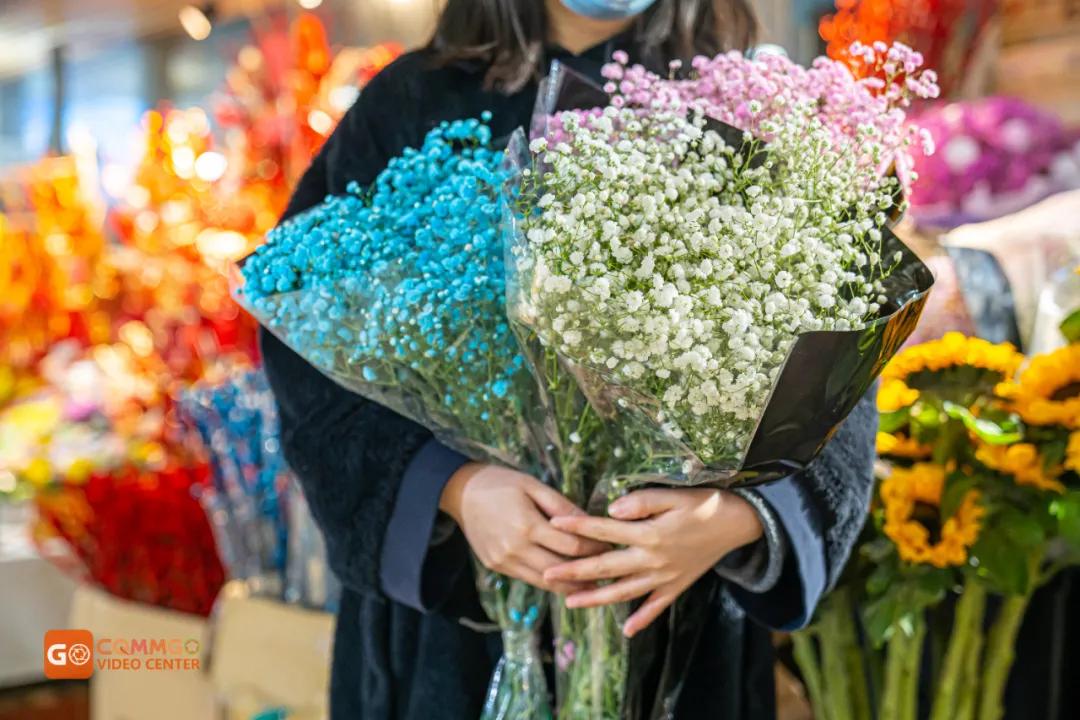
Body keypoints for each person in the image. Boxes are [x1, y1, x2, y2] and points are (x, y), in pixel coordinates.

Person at [260, 1, 878, 718]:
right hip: (455, 640)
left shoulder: (754, 103)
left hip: (678, 622)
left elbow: (842, 368)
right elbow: (304, 327)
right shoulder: (412, 101)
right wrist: (453, 488)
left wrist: (732, 518)